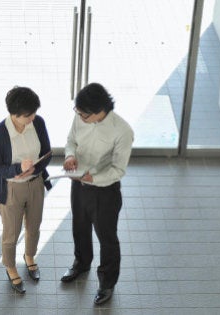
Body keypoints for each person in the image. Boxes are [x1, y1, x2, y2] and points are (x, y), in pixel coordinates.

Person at [60, 83, 134, 305]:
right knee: (79, 226)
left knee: (107, 238)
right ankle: (81, 264)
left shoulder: (122, 131)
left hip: (105, 191)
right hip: (79, 183)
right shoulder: (80, 116)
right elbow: (71, 141)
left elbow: (118, 170)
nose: (79, 117)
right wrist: (69, 156)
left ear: (100, 110)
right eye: (78, 112)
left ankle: (107, 283)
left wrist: (94, 179)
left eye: (84, 114)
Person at [0, 86, 52, 294]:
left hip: (35, 184)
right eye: (28, 115)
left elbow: (47, 153)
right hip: (12, 189)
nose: (33, 117)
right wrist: (18, 169)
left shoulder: (38, 123)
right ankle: (10, 267)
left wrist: (36, 168)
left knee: (34, 225)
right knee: (11, 233)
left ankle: (30, 256)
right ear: (14, 114)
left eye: (34, 112)